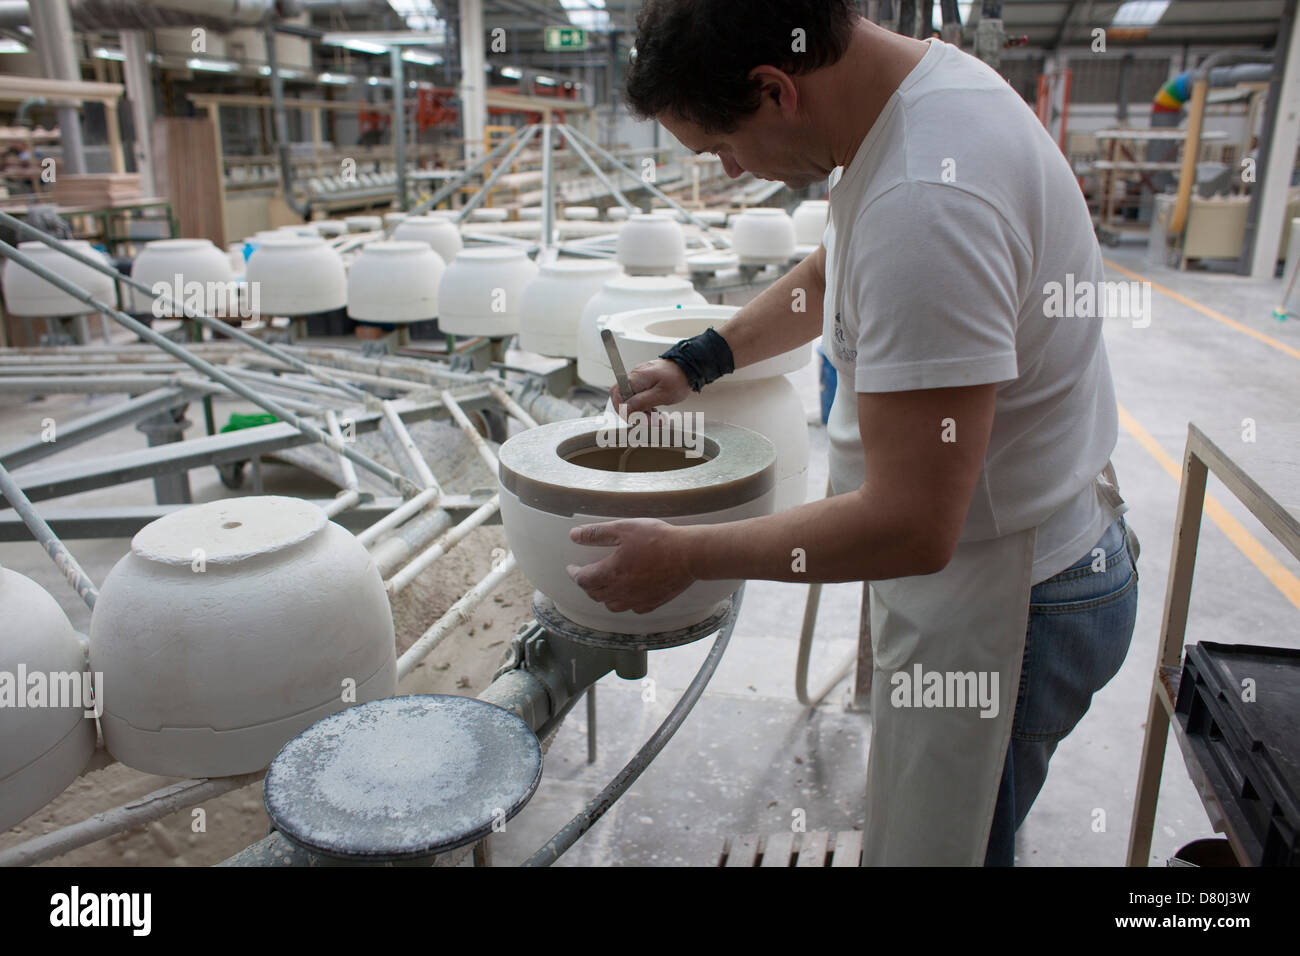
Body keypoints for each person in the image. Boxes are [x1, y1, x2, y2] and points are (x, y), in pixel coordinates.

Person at [564, 0, 1139, 866]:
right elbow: (839, 265)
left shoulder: (928, 204)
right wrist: (702, 357)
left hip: (1012, 604)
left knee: (948, 848)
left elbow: (912, 523)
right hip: (1000, 559)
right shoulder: (920, 97)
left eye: (719, 148)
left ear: (773, 88)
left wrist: (687, 555)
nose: (726, 172)